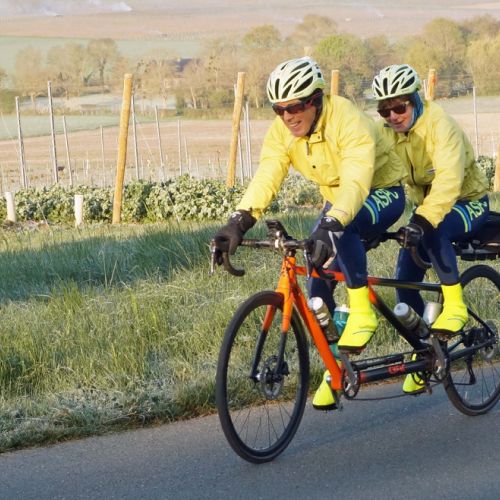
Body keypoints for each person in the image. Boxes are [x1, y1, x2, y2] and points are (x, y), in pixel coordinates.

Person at [214, 56, 406, 410]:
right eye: (279, 109)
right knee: (317, 283)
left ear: (316, 100)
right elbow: (268, 175)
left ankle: (362, 313)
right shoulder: (283, 132)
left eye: (295, 106)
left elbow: (356, 180)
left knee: (342, 228)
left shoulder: (346, 119)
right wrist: (238, 221)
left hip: (380, 191)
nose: (288, 116)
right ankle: (335, 369)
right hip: (338, 201)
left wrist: (333, 222)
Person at [372, 64, 490, 394]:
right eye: (384, 111)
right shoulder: (385, 133)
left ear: (415, 100)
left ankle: (455, 306)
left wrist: (422, 221)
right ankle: (426, 349)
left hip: (467, 201)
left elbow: (449, 181)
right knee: (404, 280)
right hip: (425, 207)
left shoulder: (440, 125)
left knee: (434, 229)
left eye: (399, 107)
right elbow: (369, 171)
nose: (393, 116)